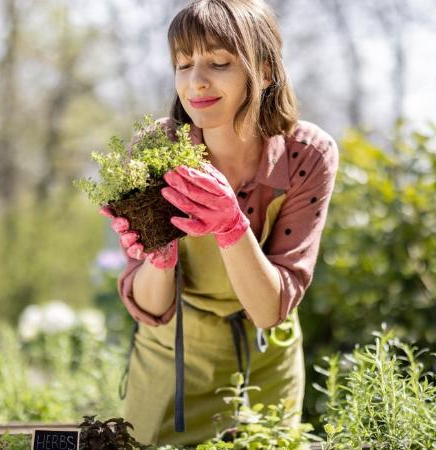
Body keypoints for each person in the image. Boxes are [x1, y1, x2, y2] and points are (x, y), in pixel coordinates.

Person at [99, 0, 339, 445]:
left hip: (265, 360)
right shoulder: (154, 153)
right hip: (174, 355)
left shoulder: (306, 155)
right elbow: (150, 309)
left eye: (219, 62)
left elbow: (269, 309)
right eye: (183, 64)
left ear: (265, 71)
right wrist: (160, 254)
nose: (196, 82)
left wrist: (231, 225)